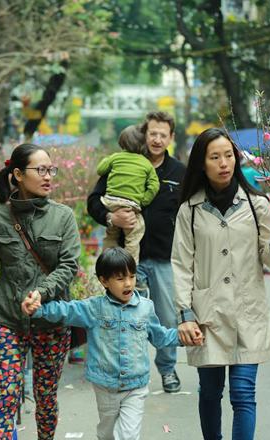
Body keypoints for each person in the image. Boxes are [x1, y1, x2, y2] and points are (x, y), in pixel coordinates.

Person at [171, 128, 270, 440]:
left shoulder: (257, 204)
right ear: (202, 164)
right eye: (215, 157)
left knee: (243, 394)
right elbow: (181, 264)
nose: (224, 163)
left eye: (228, 155)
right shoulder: (190, 210)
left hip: (247, 313)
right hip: (207, 316)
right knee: (210, 393)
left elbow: (269, 259)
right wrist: (185, 315)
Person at [0, 143, 81, 439]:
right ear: (17, 174)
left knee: (45, 399)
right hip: (9, 320)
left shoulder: (63, 216)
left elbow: (69, 266)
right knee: (6, 395)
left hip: (51, 321)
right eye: (40, 170)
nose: (48, 176)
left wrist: (42, 293)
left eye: (50, 170)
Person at [21, 247, 187, 440]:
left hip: (136, 385)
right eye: (120, 278)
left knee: (127, 435)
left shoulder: (145, 308)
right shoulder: (94, 308)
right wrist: (39, 310)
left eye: (132, 276)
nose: (128, 283)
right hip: (105, 385)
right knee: (107, 433)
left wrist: (183, 337)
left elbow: (160, 336)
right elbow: (66, 310)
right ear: (104, 281)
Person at [87, 111, 186, 393]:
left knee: (166, 317)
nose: (156, 139)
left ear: (171, 138)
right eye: (152, 133)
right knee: (122, 318)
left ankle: (167, 369)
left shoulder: (180, 172)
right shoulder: (121, 164)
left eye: (162, 135)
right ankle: (123, 372)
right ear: (144, 135)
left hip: (164, 258)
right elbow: (93, 202)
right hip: (124, 261)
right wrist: (111, 219)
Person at [96, 125, 159, 263]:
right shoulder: (146, 164)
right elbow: (154, 186)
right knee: (134, 236)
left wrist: (108, 160)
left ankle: (106, 264)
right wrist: (144, 200)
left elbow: (100, 170)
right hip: (131, 204)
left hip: (110, 202)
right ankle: (129, 266)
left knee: (111, 235)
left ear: (122, 142)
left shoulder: (116, 157)